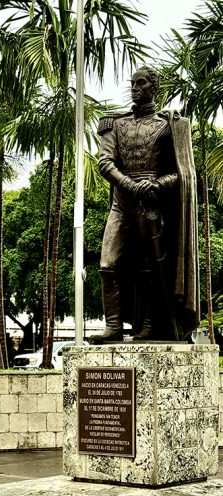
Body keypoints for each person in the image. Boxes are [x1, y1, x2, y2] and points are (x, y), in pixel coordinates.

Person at [91, 65, 199, 344]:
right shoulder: (115, 124)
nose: (135, 88)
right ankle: (113, 326)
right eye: (133, 83)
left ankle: (150, 326)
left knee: (150, 267)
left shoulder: (168, 126)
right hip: (122, 203)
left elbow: (183, 173)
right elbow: (105, 163)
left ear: (154, 88)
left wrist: (159, 184)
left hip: (151, 203)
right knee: (107, 264)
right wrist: (129, 186)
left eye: (141, 83)